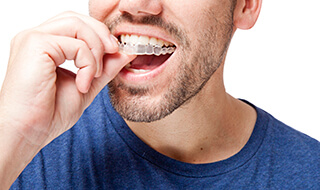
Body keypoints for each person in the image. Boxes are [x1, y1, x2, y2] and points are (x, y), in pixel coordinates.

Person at [0, 0, 319, 189]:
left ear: (246, 5)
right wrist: (14, 135)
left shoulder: (310, 174)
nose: (137, 5)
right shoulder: (23, 150)